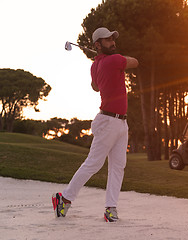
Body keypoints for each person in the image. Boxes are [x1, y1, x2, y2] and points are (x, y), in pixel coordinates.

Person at [52, 27, 139, 222]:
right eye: (108, 40)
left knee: (118, 167)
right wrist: (111, 60)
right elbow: (135, 62)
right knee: (93, 163)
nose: (113, 42)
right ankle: (64, 199)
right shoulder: (115, 60)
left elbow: (95, 86)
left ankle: (110, 208)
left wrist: (101, 61)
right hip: (108, 121)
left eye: (113, 39)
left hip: (120, 122)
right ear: (97, 45)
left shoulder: (96, 65)